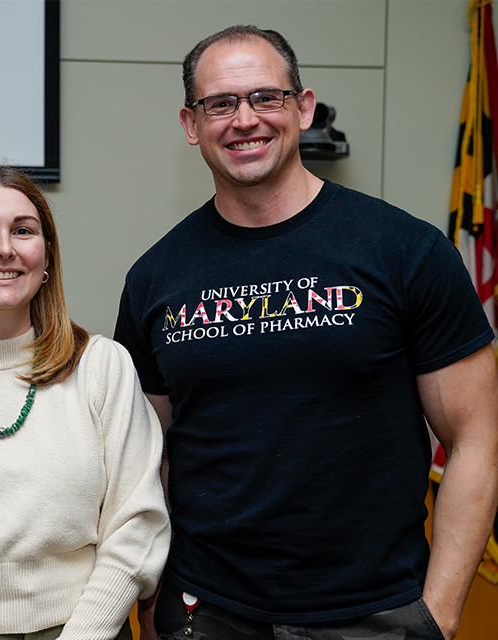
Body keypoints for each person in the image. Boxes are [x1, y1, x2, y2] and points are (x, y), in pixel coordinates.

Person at [114, 25, 498, 640]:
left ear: (304, 107)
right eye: (221, 104)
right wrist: (154, 600)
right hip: (205, 611)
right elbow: (144, 460)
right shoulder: (155, 276)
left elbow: (476, 437)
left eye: (266, 97)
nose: (245, 119)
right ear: (191, 124)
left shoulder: (405, 250)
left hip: (375, 614)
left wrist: (441, 614)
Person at [0, 165, 170, 640]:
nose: (5, 248)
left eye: (23, 231)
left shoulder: (102, 366)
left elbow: (137, 523)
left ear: (45, 261)